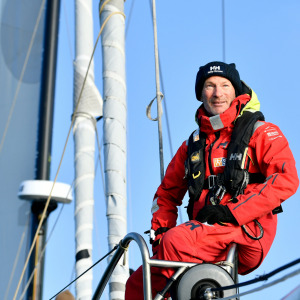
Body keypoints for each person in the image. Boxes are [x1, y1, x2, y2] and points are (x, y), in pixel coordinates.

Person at [125, 61, 299, 299]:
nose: (217, 93)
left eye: (224, 85)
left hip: (246, 231)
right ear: (201, 94)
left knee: (175, 242)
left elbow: (286, 179)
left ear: (235, 91)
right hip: (201, 236)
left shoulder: (261, 131)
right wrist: (160, 232)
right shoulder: (192, 146)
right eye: (209, 86)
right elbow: (166, 194)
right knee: (137, 283)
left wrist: (232, 212)